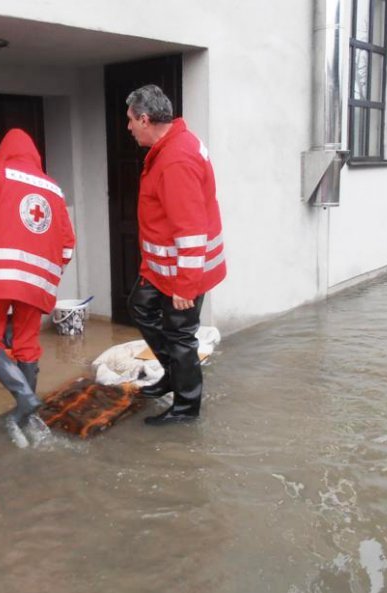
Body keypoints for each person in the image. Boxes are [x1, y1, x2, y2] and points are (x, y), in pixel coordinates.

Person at [0, 128, 76, 436]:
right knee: (26, 344)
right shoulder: (53, 189)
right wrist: (46, 268)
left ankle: (24, 398)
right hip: (35, 283)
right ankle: (26, 413)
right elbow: (68, 246)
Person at [124, 84, 226, 425]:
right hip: (162, 268)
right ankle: (173, 374)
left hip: (184, 271)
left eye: (130, 121)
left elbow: (191, 228)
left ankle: (186, 407)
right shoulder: (173, 145)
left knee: (180, 336)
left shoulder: (175, 159)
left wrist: (186, 286)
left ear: (145, 118)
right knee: (141, 305)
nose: (128, 128)